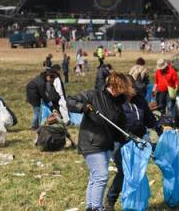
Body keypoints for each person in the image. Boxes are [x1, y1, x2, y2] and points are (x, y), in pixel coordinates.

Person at [65, 72, 129, 211]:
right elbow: (69, 101)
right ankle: (97, 208)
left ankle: (91, 206)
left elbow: (119, 124)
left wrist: (126, 137)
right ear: (112, 86)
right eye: (120, 88)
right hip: (92, 142)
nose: (121, 92)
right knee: (101, 176)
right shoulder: (94, 95)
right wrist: (83, 108)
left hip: (107, 143)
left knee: (95, 177)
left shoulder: (118, 102)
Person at [105, 75, 160, 208]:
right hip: (120, 142)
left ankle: (135, 202)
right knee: (124, 171)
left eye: (133, 85)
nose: (134, 88)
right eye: (131, 86)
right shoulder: (116, 102)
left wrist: (161, 128)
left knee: (137, 171)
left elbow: (149, 119)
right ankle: (110, 200)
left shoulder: (140, 100)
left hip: (138, 141)